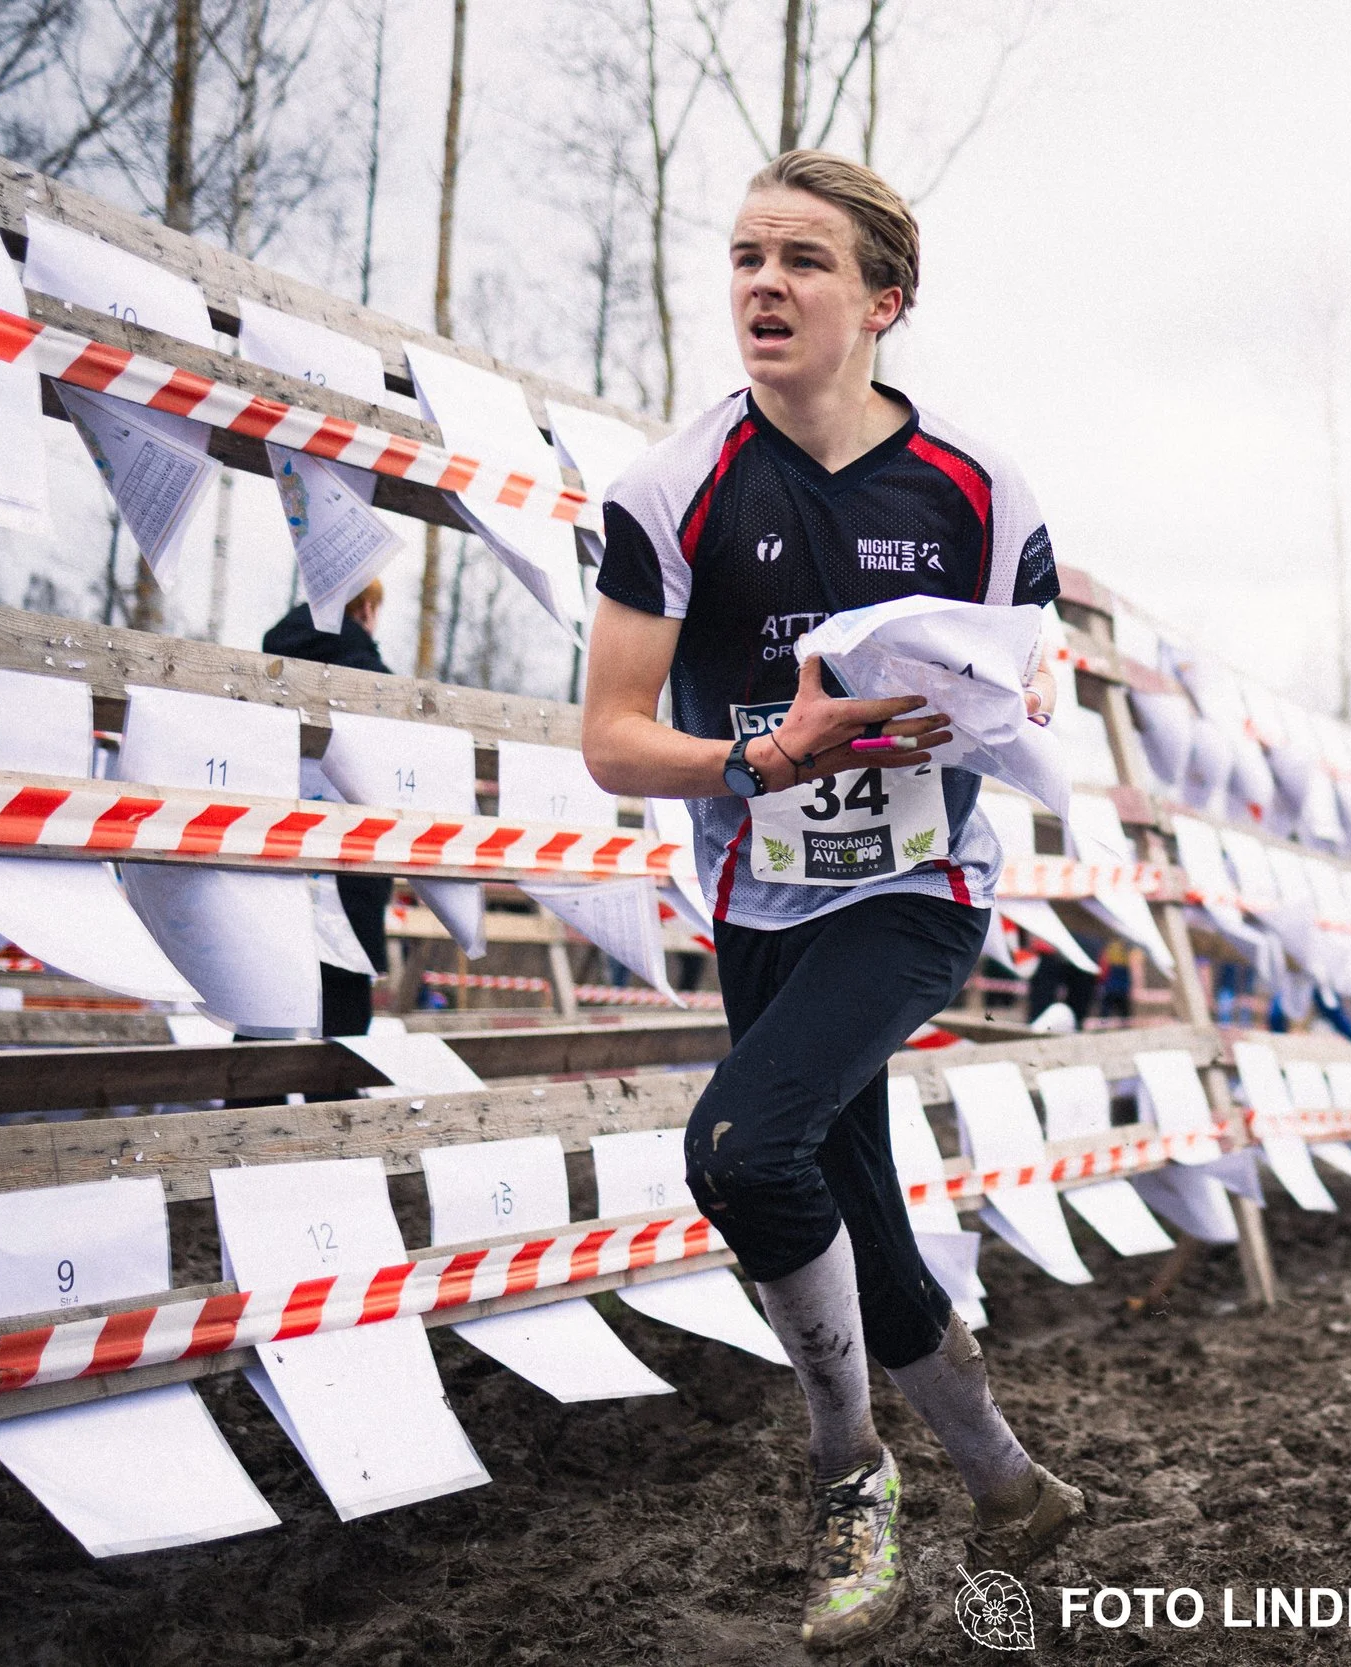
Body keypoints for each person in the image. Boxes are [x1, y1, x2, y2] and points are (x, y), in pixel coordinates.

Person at [580, 150, 1083, 1651]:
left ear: (884, 299)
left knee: (741, 1150)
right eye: (744, 256)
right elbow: (610, 740)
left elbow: (1028, 670)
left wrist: (1026, 683)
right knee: (845, 1191)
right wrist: (763, 751)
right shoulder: (673, 489)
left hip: (919, 887)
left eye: (802, 260)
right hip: (761, 891)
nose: (763, 284)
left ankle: (847, 1475)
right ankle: (1004, 1471)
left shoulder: (980, 492)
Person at [263, 580, 393, 1038]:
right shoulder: (372, 677)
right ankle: (334, 1103)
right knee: (344, 1014)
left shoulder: (273, 657)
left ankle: (253, 1102)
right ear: (366, 609)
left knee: (266, 1004)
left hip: (277, 849)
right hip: (349, 862)